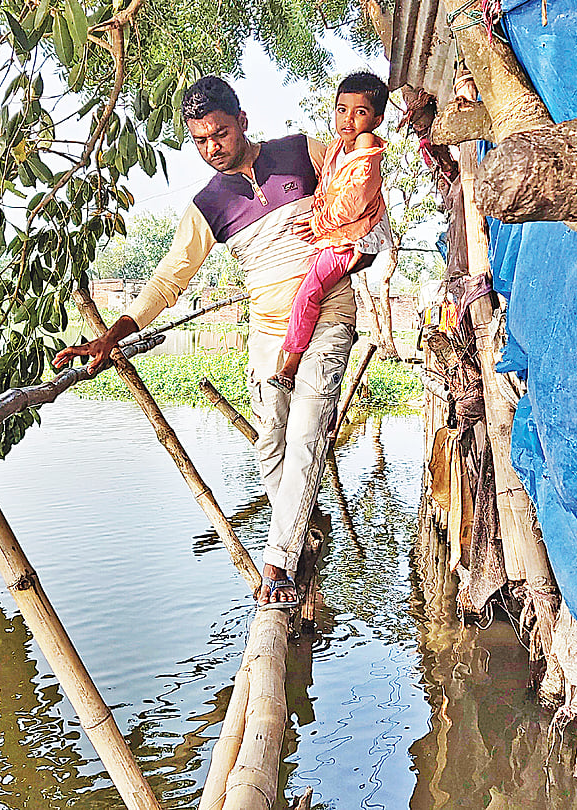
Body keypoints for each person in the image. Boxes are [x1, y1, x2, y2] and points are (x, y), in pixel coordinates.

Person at [53, 76, 358, 610]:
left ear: (242, 119)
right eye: (200, 140)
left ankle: (279, 563)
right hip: (268, 332)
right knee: (271, 445)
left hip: (329, 311)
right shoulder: (208, 204)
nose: (212, 147)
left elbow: (358, 199)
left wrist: (350, 237)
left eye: (220, 132)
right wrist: (108, 338)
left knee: (308, 432)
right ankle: (298, 527)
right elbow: (169, 280)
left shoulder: (301, 152)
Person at [268, 71, 392, 393]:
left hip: (350, 240)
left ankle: (291, 365)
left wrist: (318, 223)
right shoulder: (340, 147)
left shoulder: (366, 158)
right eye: (342, 109)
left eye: (360, 112)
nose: (348, 119)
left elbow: (350, 205)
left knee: (308, 292)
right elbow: (327, 186)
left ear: (376, 120)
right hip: (338, 234)